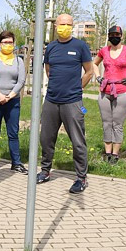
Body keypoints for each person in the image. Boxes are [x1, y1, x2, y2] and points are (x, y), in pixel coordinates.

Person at [37, 13, 95, 194]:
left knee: (78, 141)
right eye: (62, 24)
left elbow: (89, 71)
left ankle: (81, 177)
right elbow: (48, 71)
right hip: (51, 100)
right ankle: (45, 170)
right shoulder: (51, 48)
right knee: (46, 138)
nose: (65, 27)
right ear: (55, 26)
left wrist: (77, 89)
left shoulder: (80, 46)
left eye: (69, 24)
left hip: (73, 102)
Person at [93, 25, 126, 164]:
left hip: (122, 92)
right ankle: (107, 153)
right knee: (106, 123)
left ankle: (115, 154)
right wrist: (98, 76)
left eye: (117, 35)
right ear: (108, 36)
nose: (114, 37)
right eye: (112, 35)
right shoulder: (104, 51)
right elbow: (94, 64)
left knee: (117, 124)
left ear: (121, 36)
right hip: (105, 92)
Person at [0, 30, 27, 175]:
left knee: (13, 133)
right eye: (5, 42)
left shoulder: (18, 61)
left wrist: (9, 96)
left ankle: (16, 163)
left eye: (10, 42)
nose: (8, 45)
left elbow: (21, 80)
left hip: (12, 101)